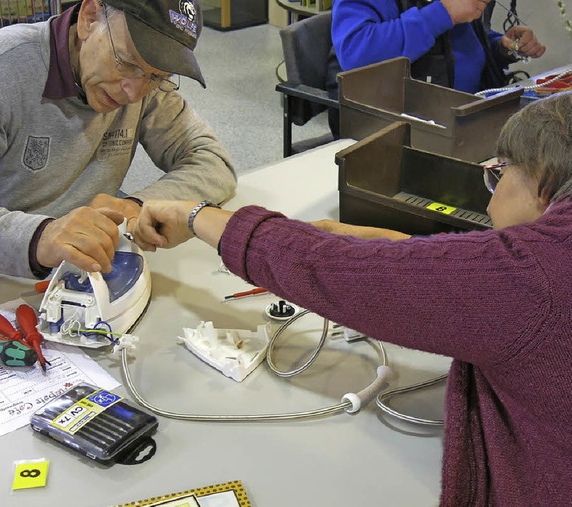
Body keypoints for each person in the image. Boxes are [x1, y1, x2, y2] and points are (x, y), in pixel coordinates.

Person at [128, 91, 572, 505]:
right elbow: (472, 280)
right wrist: (397, 249)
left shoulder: (535, 274)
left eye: (498, 175)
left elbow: (320, 266)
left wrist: (194, 214)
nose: (489, 204)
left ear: (544, 178)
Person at [0, 0, 236, 279]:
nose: (134, 92)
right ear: (90, 19)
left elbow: (212, 161)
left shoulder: (145, 84)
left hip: (96, 263)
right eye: (127, 62)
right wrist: (41, 236)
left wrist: (136, 205)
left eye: (156, 76)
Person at [326, 0, 546, 137]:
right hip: (398, 125)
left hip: (467, 114)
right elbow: (356, 53)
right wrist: (443, 13)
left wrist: (501, 47)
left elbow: (452, 45)